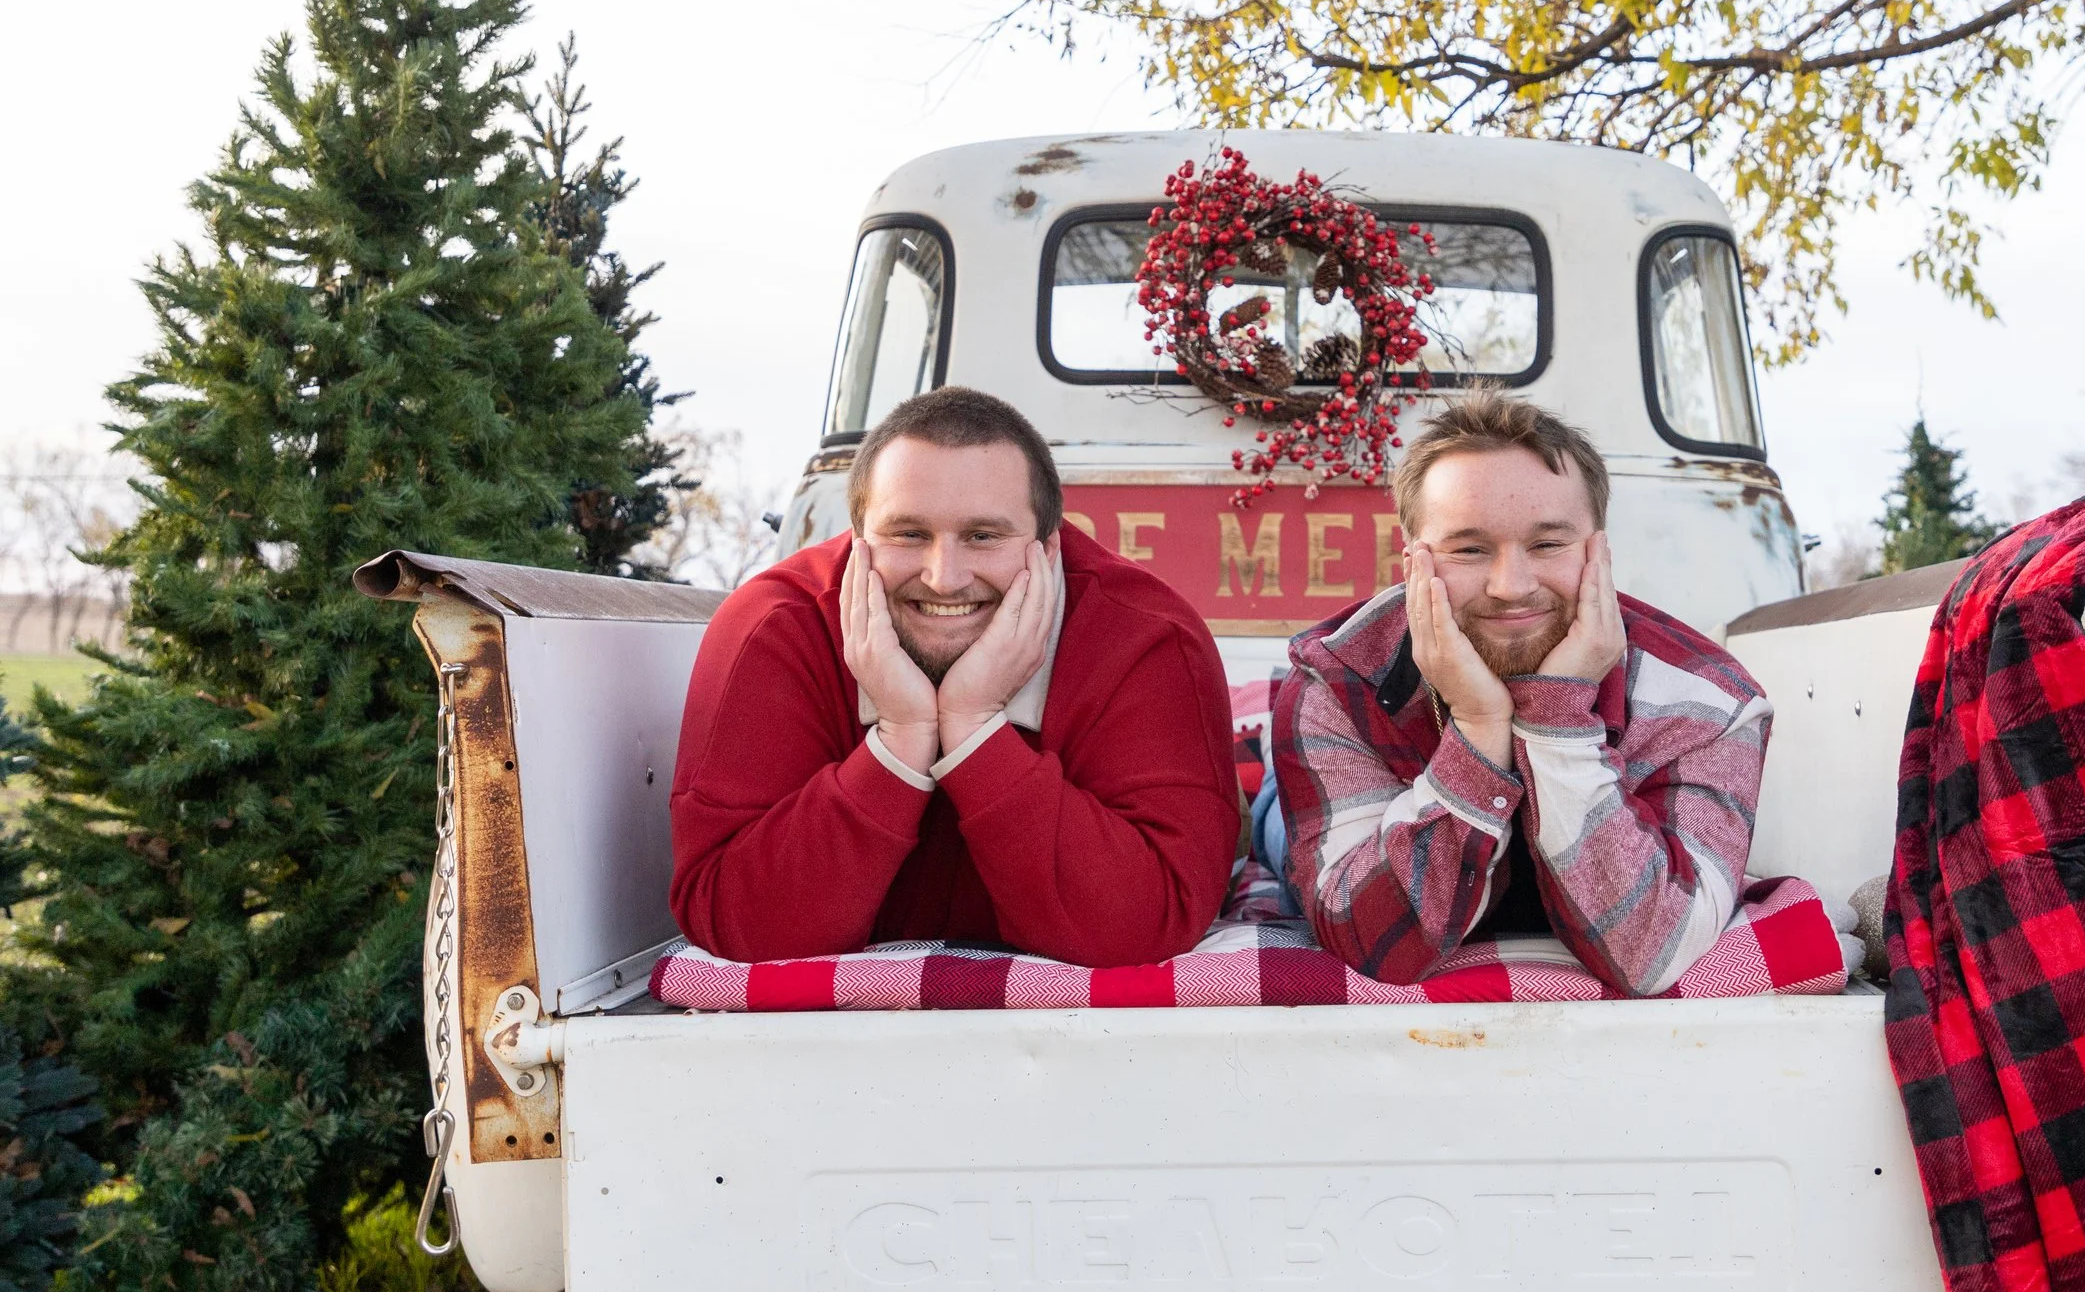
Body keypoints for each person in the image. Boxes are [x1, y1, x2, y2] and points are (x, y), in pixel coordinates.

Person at [670, 386, 1240, 966]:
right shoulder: (773, 629)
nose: (944, 578)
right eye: (909, 534)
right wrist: (900, 738)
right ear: (859, 541)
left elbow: (1146, 926)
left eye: (983, 536)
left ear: (1048, 549)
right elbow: (738, 923)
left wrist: (972, 730)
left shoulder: (1145, 638)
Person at [1271, 389, 1773, 996]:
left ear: (1599, 553)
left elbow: (1652, 953)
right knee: (1272, 826)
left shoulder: (1708, 703)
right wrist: (1481, 725)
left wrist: (1555, 714)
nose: (1511, 587)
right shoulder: (1335, 681)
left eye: (1547, 544)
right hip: (1353, 796)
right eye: (1469, 549)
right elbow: (1369, 940)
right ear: (1413, 567)